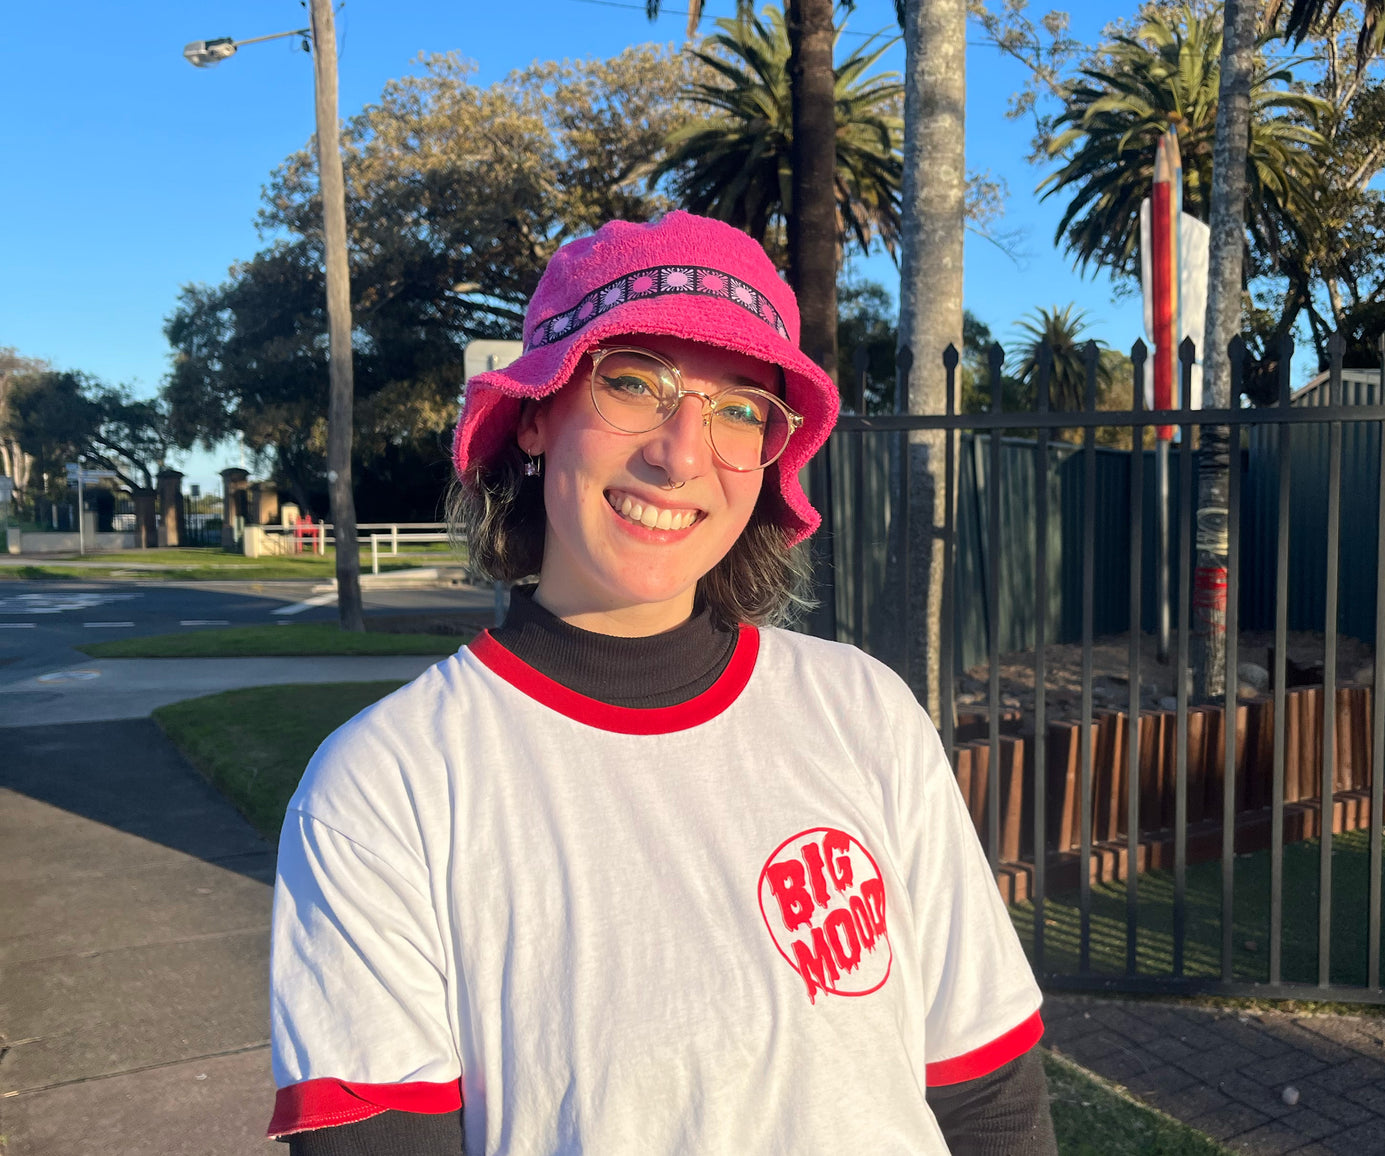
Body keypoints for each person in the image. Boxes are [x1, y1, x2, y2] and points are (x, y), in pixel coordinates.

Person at [268, 211, 1056, 1155]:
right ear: (535, 413)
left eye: (740, 410)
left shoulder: (865, 712)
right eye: (634, 383)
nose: (681, 455)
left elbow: (987, 1099)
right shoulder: (385, 788)